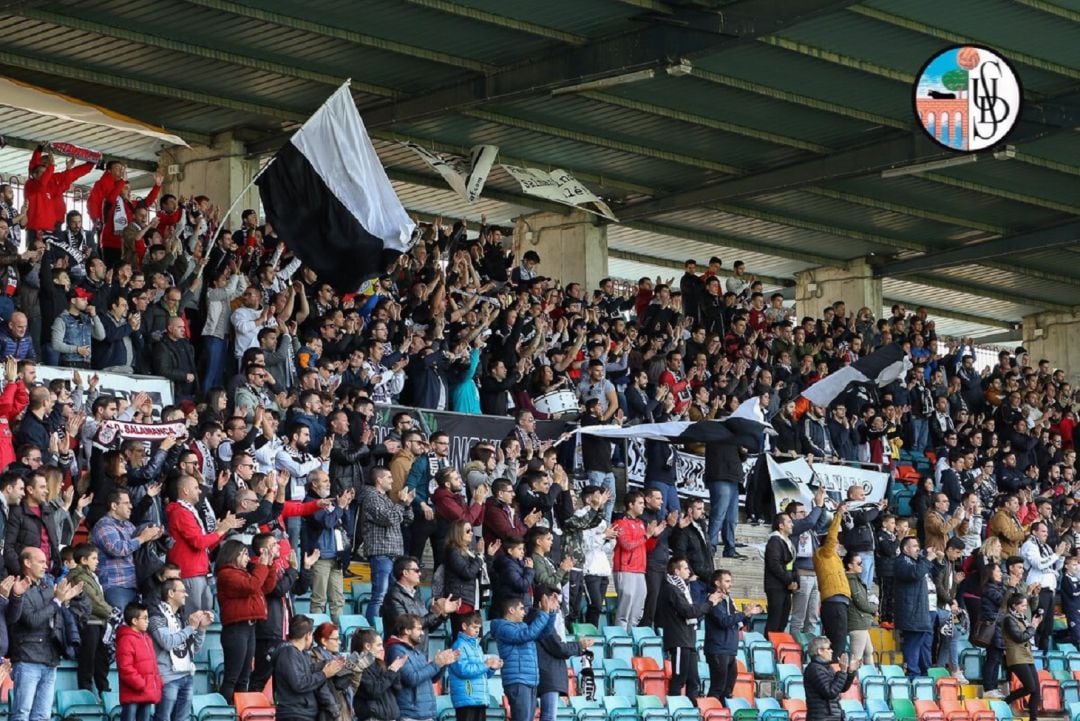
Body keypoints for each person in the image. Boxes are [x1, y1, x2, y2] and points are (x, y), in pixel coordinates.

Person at [9, 547, 86, 721]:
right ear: (27, 563)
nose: (46, 566)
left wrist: (69, 600)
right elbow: (32, 620)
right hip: (27, 658)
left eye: (46, 562)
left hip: (50, 658)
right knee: (21, 713)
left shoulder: (50, 586)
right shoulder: (19, 588)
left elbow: (61, 617)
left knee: (43, 715)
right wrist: (58, 601)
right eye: (41, 562)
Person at [215, 538, 277, 702]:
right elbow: (251, 586)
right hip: (235, 629)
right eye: (243, 554)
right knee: (232, 677)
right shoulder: (226, 574)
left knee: (244, 677)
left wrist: (270, 565)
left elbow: (266, 587)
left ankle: (240, 712)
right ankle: (224, 713)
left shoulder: (245, 573)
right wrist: (262, 566)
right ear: (233, 554)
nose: (248, 558)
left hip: (249, 628)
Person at [656, 557, 722, 701]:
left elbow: (692, 611)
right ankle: (675, 710)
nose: (689, 571)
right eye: (685, 568)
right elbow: (688, 612)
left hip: (688, 639)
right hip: (679, 639)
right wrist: (709, 603)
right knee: (679, 678)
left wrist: (708, 604)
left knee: (693, 681)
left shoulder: (682, 588)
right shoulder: (671, 588)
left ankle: (692, 711)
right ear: (676, 571)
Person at [148, 578, 211, 721]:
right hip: (167, 677)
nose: (186, 595)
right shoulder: (156, 616)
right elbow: (167, 642)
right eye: (183, 591)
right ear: (171, 593)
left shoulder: (180, 617)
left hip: (186, 675)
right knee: (163, 718)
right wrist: (191, 628)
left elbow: (193, 650)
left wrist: (201, 629)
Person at [92, 488, 164, 611]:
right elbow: (117, 549)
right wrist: (142, 538)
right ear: (114, 506)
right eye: (126, 503)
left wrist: (152, 537)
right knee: (120, 625)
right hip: (116, 586)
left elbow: (136, 548)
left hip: (134, 585)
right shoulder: (103, 525)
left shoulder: (129, 525)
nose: (131, 506)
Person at [492, 592, 558, 721]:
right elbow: (525, 635)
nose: (524, 612)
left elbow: (544, 633)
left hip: (529, 680)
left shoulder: (522, 627)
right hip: (518, 681)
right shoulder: (503, 628)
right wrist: (543, 613)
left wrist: (551, 613)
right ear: (511, 610)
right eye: (521, 609)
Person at [385, 613, 459, 721]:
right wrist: (436, 664)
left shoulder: (416, 652)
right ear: (407, 630)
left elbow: (432, 678)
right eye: (419, 629)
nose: (422, 633)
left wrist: (443, 663)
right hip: (410, 714)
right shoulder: (396, 649)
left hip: (425, 713)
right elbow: (411, 679)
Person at [272, 616, 346, 721]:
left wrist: (324, 665)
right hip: (295, 714)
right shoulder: (288, 653)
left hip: (303, 713)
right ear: (308, 635)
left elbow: (306, 671)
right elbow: (299, 683)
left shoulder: (299, 654)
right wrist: (324, 674)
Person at [703, 570, 761, 701]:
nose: (731, 584)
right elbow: (723, 621)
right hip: (718, 649)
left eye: (731, 581)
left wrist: (748, 614)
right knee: (717, 687)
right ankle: (711, 713)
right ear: (717, 583)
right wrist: (743, 613)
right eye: (727, 581)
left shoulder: (729, 600)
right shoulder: (713, 600)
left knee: (728, 688)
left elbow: (737, 622)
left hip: (729, 650)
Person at [67, 543, 113, 694]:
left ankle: (104, 691)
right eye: (94, 558)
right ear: (83, 560)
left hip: (99, 622)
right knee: (88, 658)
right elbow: (92, 601)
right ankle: (86, 692)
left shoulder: (92, 576)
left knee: (101, 659)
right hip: (88, 623)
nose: (97, 561)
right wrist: (111, 613)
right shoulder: (79, 577)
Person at [611, 490, 660, 630]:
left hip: (640, 570)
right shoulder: (620, 522)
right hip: (625, 569)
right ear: (630, 505)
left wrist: (653, 536)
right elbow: (627, 545)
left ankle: (631, 638)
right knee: (625, 608)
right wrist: (646, 536)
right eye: (640, 503)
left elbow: (646, 548)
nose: (643, 506)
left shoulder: (640, 523)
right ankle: (620, 639)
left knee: (638, 610)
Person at [894, 536, 941, 678]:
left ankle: (921, 672)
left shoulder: (917, 561)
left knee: (921, 644)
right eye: (914, 546)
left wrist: (937, 560)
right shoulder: (901, 562)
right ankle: (913, 674)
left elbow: (934, 573)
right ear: (905, 549)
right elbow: (915, 573)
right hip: (910, 612)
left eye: (917, 545)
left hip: (920, 611)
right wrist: (927, 559)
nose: (917, 548)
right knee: (912, 644)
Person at [1020, 520, 1067, 651]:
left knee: (1047, 627)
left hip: (1049, 590)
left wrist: (1061, 555)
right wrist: (1056, 555)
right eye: (1043, 531)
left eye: (1047, 531)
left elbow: (1056, 566)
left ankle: (1045, 658)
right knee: (1039, 625)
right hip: (1038, 589)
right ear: (1034, 532)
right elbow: (1039, 564)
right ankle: (1035, 654)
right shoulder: (1030, 545)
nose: (1046, 534)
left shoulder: (1046, 547)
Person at [448, 612, 502, 721]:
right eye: (474, 627)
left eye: (479, 628)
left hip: (479, 698)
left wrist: (491, 668)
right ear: (464, 626)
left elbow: (483, 674)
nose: (477, 630)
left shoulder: (477, 647)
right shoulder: (459, 645)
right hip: (467, 698)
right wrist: (486, 664)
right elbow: (463, 670)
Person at [116, 602, 164, 721]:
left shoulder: (147, 638)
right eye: (145, 618)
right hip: (133, 694)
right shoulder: (126, 639)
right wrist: (142, 684)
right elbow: (125, 668)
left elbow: (153, 666)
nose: (148, 621)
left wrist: (157, 683)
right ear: (134, 621)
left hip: (146, 693)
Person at [788, 490, 827, 635]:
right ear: (792, 516)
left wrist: (821, 506)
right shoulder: (794, 526)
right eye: (801, 512)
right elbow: (810, 520)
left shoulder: (809, 529)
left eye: (805, 512)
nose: (805, 515)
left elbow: (821, 522)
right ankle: (795, 646)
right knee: (799, 615)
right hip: (802, 575)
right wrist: (817, 505)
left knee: (812, 616)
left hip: (815, 575)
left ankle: (809, 647)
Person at [813, 505, 850, 657]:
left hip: (839, 602)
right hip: (834, 603)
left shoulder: (833, 557)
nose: (838, 544)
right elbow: (832, 536)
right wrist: (838, 515)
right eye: (836, 542)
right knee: (839, 640)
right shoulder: (824, 553)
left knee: (837, 640)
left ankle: (834, 667)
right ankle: (835, 668)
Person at [351, 628, 406, 721]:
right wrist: (392, 671)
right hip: (373, 717)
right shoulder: (357, 667)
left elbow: (397, 689)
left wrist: (396, 670)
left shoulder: (379, 663)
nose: (382, 648)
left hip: (390, 716)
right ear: (367, 646)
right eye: (379, 645)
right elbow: (374, 691)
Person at [309, 623, 361, 721]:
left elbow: (352, 688)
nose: (340, 642)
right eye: (336, 639)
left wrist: (357, 670)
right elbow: (327, 689)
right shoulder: (315, 659)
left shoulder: (338, 658)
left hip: (345, 710)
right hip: (330, 713)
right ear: (324, 641)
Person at [1002, 593, 1041, 721]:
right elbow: (1020, 637)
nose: (1025, 608)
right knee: (1030, 686)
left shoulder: (1022, 618)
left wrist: (1033, 625)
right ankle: (1005, 701)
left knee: (1036, 690)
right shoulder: (1009, 619)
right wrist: (1033, 627)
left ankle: (1033, 719)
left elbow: (1027, 634)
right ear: (1014, 605)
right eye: (1023, 605)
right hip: (1016, 656)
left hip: (1027, 655)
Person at [803, 636, 858, 721]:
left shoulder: (827, 667)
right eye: (828, 649)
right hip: (821, 717)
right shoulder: (814, 669)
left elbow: (840, 688)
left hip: (831, 716)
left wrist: (850, 672)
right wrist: (842, 672)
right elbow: (830, 692)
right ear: (820, 651)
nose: (831, 651)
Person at [763, 512, 798, 633]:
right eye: (789, 522)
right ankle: (769, 647)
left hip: (786, 587)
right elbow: (774, 565)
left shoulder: (788, 542)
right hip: (776, 586)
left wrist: (795, 581)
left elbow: (792, 565)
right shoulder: (775, 541)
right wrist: (789, 581)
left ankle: (778, 646)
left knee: (783, 620)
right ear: (781, 526)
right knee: (775, 620)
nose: (792, 524)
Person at [844, 552, 877, 667]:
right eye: (858, 563)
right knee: (856, 656)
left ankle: (872, 679)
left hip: (861, 622)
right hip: (857, 623)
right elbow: (862, 603)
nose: (861, 565)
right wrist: (874, 608)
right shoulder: (851, 581)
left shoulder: (856, 580)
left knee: (868, 652)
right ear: (849, 565)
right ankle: (854, 682)